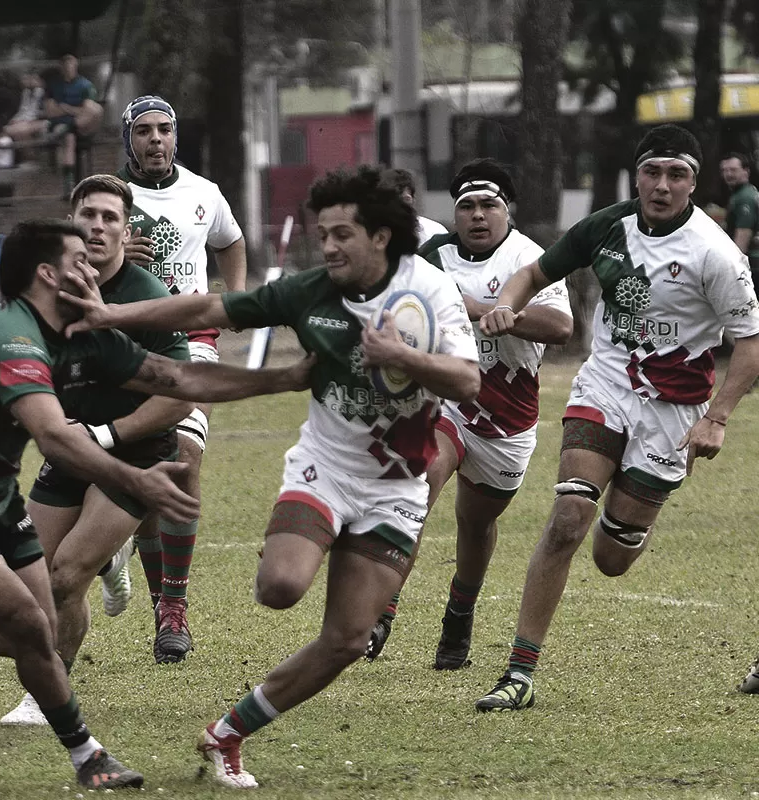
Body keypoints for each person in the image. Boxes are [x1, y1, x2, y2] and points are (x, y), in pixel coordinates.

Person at [62, 166, 480, 787]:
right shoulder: (308, 291)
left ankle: (228, 733)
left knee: (347, 640)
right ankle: (319, 534)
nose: (329, 246)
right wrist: (111, 317)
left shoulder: (430, 292)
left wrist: (402, 358)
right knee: (279, 587)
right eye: (324, 233)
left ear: (382, 237)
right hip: (327, 468)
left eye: (343, 234)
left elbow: (468, 381)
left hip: (397, 486)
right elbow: (211, 306)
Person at [0, 218, 311, 789]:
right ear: (47, 274)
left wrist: (288, 378)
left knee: (38, 630)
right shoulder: (12, 335)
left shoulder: (82, 331)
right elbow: (55, 439)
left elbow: (176, 377)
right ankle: (88, 757)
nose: (93, 267)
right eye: (80, 258)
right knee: (33, 626)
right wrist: (136, 483)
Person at [473, 124, 759, 712]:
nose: (662, 186)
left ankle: (629, 522)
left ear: (694, 183)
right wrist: (507, 305)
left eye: (676, 175)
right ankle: (520, 672)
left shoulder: (716, 253)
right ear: (637, 175)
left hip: (675, 410)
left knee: (611, 558)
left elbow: (750, 345)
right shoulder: (607, 227)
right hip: (606, 384)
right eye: (652, 171)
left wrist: (719, 418)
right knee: (568, 515)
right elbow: (535, 272)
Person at [0, 175, 194, 727]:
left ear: (126, 229)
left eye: (111, 217)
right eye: (89, 215)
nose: (99, 226)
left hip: (135, 454)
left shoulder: (151, 299)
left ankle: (48, 694)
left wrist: (108, 434)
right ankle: (109, 553)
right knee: (28, 575)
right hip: (70, 447)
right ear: (72, 224)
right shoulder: (47, 295)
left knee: (64, 576)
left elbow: (180, 395)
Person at [364, 160, 573, 666]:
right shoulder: (432, 254)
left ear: (509, 211)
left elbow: (562, 326)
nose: (478, 216)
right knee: (419, 488)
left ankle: (460, 612)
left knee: (475, 525)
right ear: (453, 214)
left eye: (489, 205)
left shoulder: (529, 257)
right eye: (467, 206)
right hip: (445, 405)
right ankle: (379, 613)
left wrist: (500, 313)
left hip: (508, 421)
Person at [112, 95, 248, 665]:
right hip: (126, 341)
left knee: (184, 458)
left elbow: (231, 241)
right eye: (143, 131)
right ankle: (156, 602)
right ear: (129, 141)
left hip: (193, 337)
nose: (155, 140)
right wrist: (112, 251)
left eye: (164, 130)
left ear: (175, 136)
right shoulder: (109, 200)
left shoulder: (203, 193)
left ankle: (175, 609)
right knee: (147, 475)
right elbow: (72, 260)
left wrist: (233, 298)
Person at [45, 53, 104, 196]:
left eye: (71, 65)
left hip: (83, 126)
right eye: (65, 66)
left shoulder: (85, 85)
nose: (68, 68)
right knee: (68, 139)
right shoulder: (54, 85)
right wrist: (76, 111)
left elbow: (89, 110)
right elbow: (50, 111)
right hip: (61, 125)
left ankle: (71, 126)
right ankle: (68, 185)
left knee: (95, 109)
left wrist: (67, 108)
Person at [386, 167, 448, 246]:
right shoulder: (372, 236)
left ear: (413, 200)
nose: (400, 207)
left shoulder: (435, 233)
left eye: (405, 200)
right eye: (395, 200)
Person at [721, 152, 759, 278]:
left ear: (746, 171)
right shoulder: (742, 193)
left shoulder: (744, 197)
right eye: (725, 170)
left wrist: (732, 271)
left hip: (751, 263)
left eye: (733, 170)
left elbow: (743, 236)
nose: (728, 174)